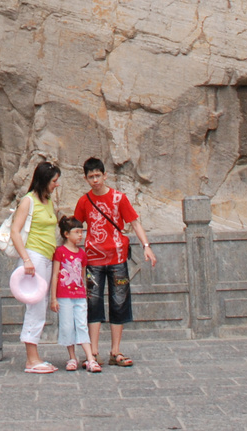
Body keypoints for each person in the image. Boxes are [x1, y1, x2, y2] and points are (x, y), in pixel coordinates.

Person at [74, 157, 157, 367]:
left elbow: (134, 222)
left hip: (118, 258)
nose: (95, 180)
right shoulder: (84, 201)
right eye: (91, 177)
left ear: (105, 175)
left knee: (119, 302)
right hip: (93, 260)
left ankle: (115, 351)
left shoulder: (119, 198)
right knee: (93, 302)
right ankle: (93, 352)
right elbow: (75, 226)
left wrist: (146, 246)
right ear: (85, 179)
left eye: (98, 176)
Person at [9, 160, 62, 373]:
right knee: (36, 306)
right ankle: (31, 359)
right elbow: (15, 231)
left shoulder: (47, 201)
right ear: (43, 180)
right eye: (54, 181)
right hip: (34, 257)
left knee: (40, 306)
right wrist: (27, 260)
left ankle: (35, 355)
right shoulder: (28, 201)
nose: (56, 185)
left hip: (46, 258)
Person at [50, 216, 102, 373]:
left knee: (81, 325)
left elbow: (83, 274)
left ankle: (90, 358)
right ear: (66, 234)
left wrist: (85, 292)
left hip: (79, 295)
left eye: (81, 232)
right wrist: (53, 298)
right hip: (64, 295)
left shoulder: (82, 254)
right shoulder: (60, 252)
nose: (80, 235)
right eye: (77, 232)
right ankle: (72, 356)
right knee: (67, 326)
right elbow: (55, 275)